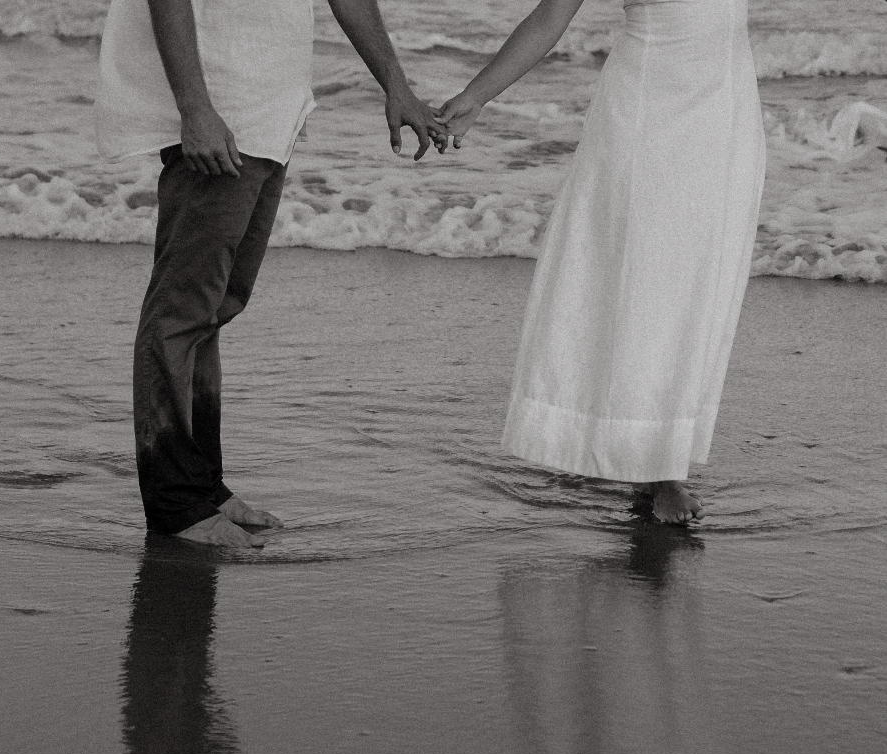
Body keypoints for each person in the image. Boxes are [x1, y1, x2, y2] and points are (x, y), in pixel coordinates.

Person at [95, 0, 447, 551]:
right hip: (222, 109)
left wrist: (395, 84)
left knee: (215, 308)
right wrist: (194, 108)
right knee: (182, 312)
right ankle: (175, 505)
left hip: (270, 109)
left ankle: (203, 486)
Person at [438, 0, 766, 525]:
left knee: (700, 288)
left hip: (727, 118)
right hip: (649, 119)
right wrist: (477, 96)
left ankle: (663, 456)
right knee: (647, 286)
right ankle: (656, 473)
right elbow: (549, 18)